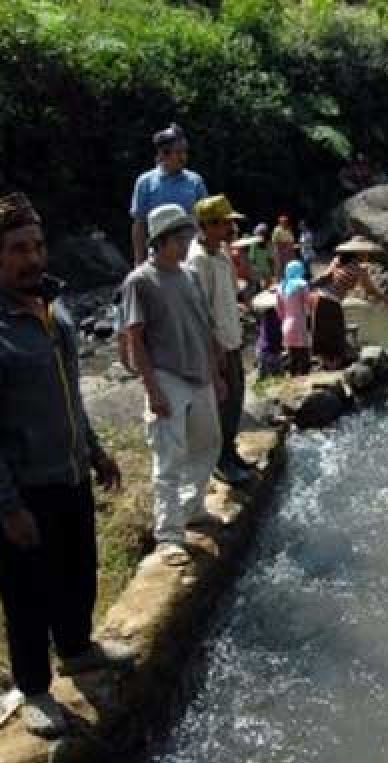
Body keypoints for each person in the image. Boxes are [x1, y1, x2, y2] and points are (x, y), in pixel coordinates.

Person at [0, 193, 131, 738]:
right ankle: (34, 691)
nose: (33, 258)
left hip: (69, 475)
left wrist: (95, 450)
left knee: (78, 573)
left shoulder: (55, 310)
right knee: (26, 598)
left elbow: (70, 397)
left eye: (37, 245)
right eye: (19, 250)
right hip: (24, 490)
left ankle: (76, 649)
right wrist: (7, 507)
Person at [120, 204, 224, 567]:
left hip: (198, 372)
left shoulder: (190, 275)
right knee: (169, 455)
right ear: (161, 241)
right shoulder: (140, 281)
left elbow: (204, 326)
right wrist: (152, 389)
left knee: (209, 441)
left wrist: (216, 373)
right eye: (180, 238)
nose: (186, 244)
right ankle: (168, 536)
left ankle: (192, 508)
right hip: (166, 373)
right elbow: (134, 337)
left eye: (187, 237)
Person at [187, 195, 253, 486]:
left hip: (232, 339)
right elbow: (201, 312)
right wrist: (214, 354)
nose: (231, 228)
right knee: (222, 404)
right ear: (206, 226)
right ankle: (222, 461)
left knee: (236, 399)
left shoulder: (221, 252)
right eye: (225, 224)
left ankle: (231, 451)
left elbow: (224, 295)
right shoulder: (198, 260)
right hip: (218, 346)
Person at [310, 235, 388, 369]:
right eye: (366, 253)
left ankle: (325, 366)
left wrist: (309, 287)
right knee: (335, 336)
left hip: (318, 298)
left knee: (324, 334)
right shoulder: (360, 270)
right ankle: (333, 367)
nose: (367, 256)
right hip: (331, 302)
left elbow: (325, 277)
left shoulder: (337, 261)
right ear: (359, 253)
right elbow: (374, 292)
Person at [129, 123, 208, 267]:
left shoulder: (195, 181)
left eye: (185, 152)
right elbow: (139, 224)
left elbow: (206, 220)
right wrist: (139, 260)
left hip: (192, 256)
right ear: (164, 154)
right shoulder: (145, 182)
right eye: (178, 152)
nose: (183, 157)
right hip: (158, 257)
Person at [277, 260, 313, 375]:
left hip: (286, 324)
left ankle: (293, 380)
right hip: (299, 323)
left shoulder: (281, 287)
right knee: (304, 358)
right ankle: (304, 383)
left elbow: (279, 310)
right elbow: (309, 303)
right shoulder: (302, 284)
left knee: (293, 356)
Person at [246, 222, 275, 289]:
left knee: (268, 285)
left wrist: (272, 269)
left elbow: (270, 258)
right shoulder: (254, 244)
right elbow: (252, 258)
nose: (262, 235)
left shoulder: (268, 244)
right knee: (260, 286)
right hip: (257, 268)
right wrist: (253, 268)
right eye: (261, 233)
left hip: (266, 269)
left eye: (264, 233)